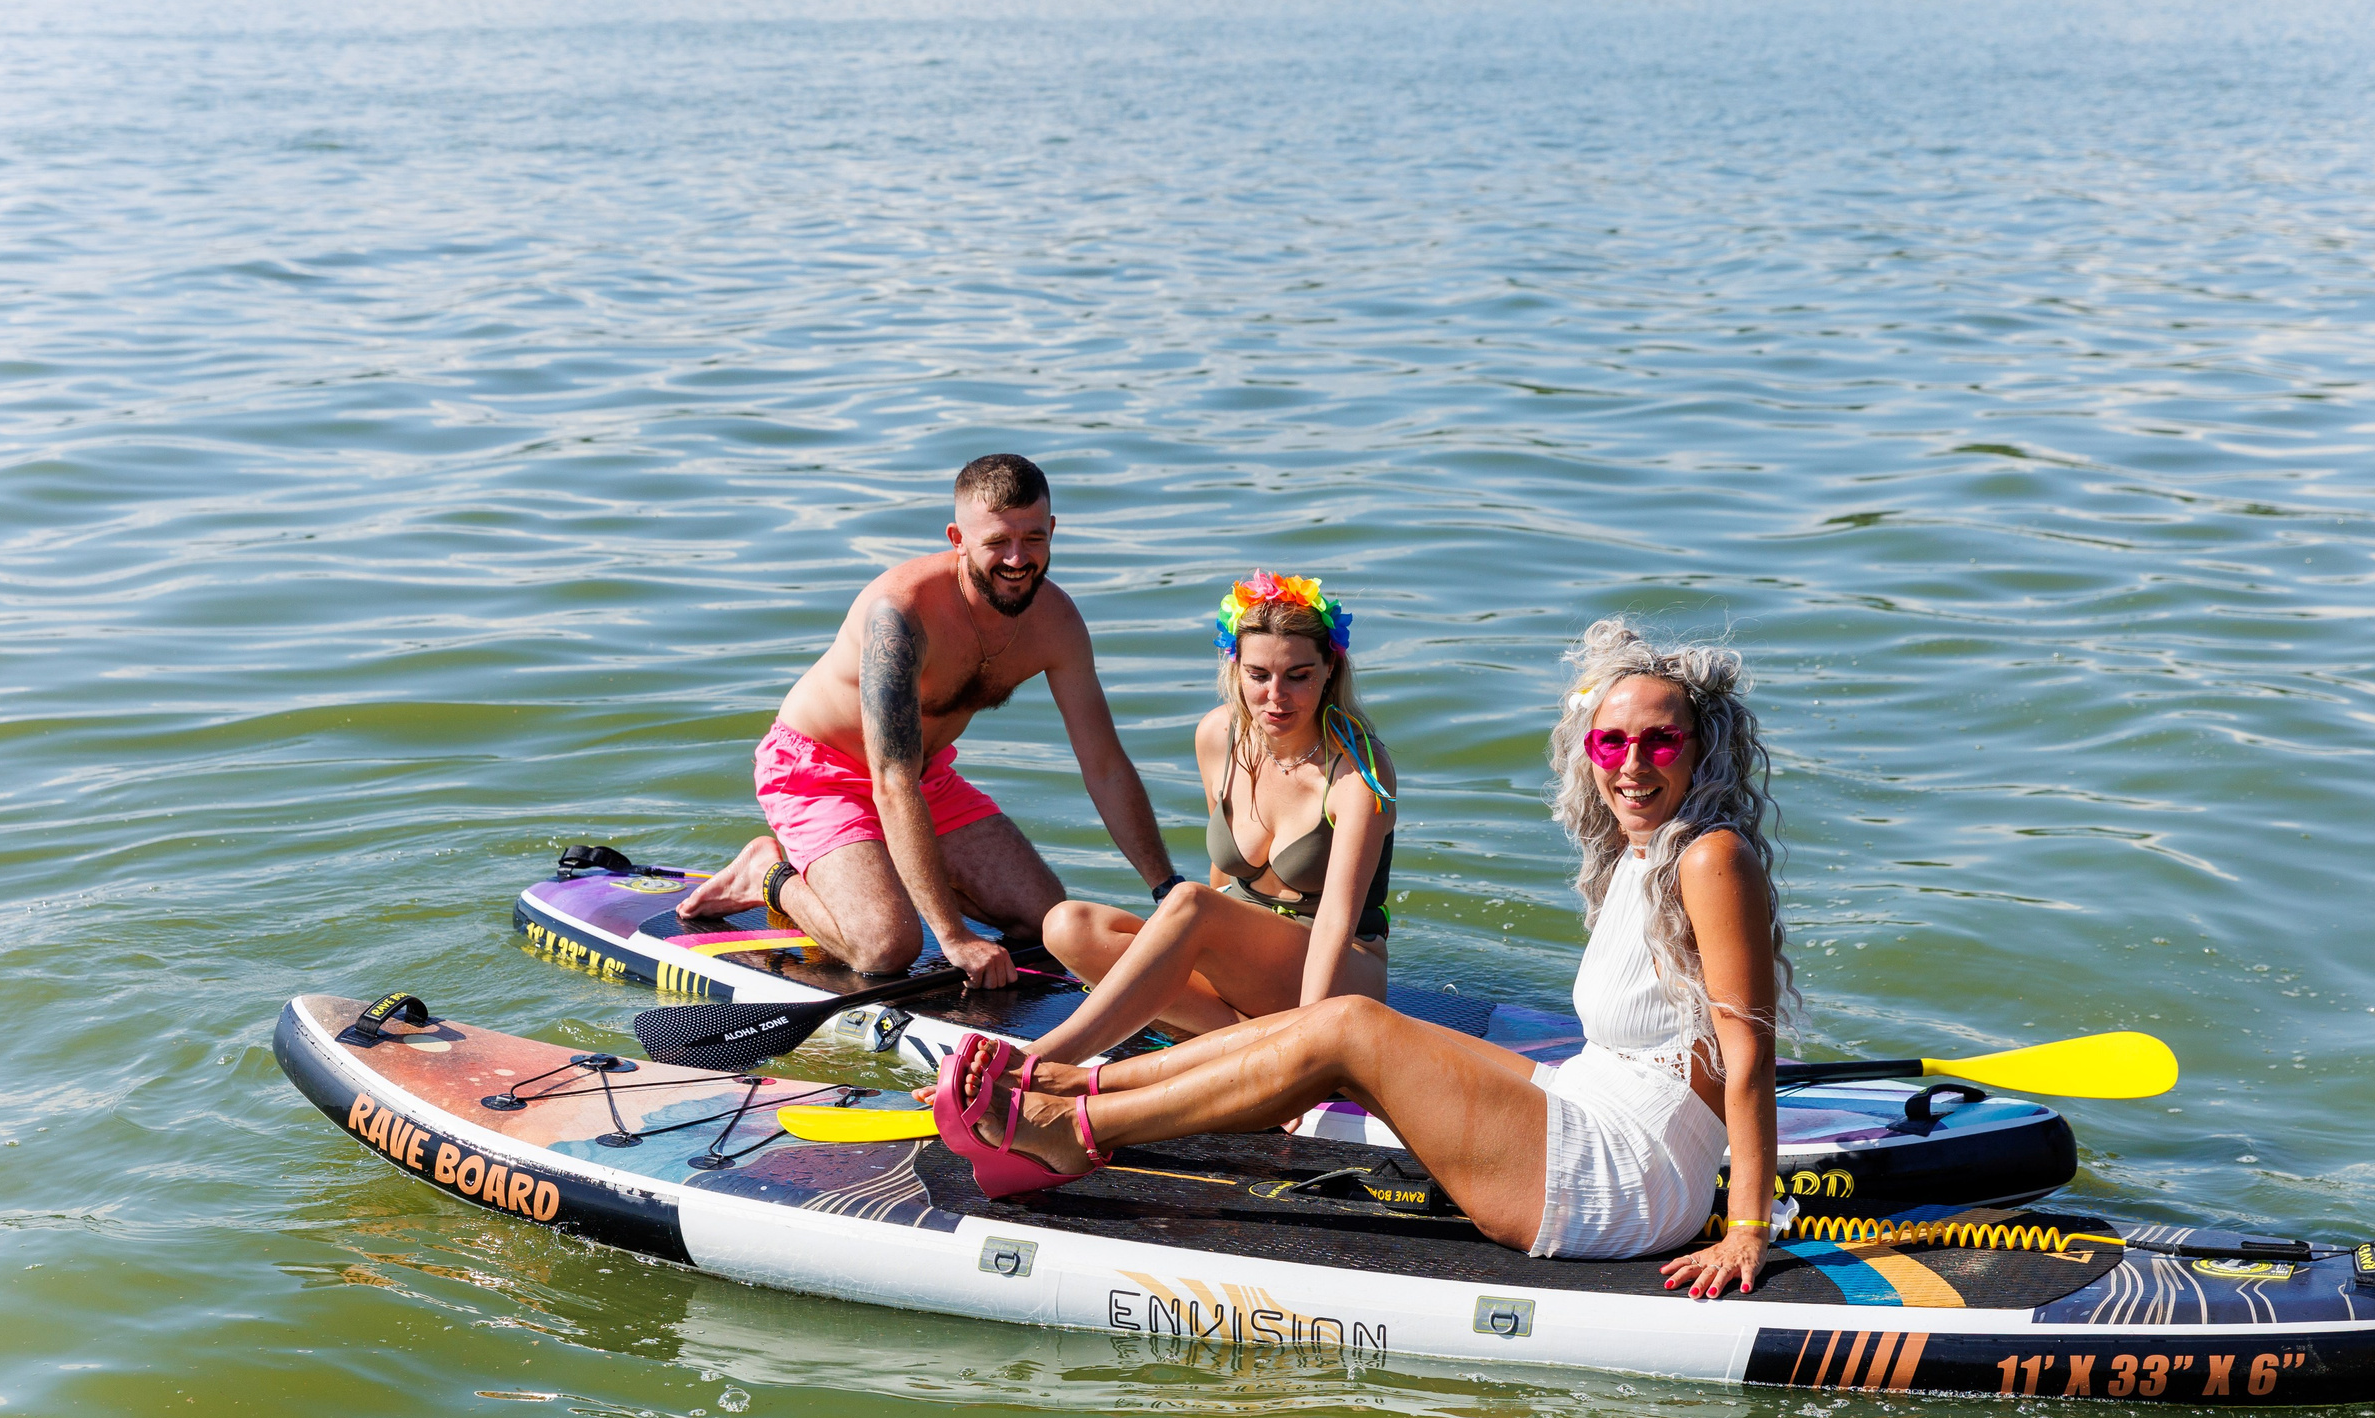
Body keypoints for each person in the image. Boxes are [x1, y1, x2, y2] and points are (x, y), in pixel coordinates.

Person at [934, 618, 1798, 1297]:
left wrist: (1747, 1227)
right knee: (1359, 1035)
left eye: (1660, 741)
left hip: (1624, 1176)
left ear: (1701, 748)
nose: (1633, 765)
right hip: (1586, 1099)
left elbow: (1747, 1051)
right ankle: (1070, 1086)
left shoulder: (1710, 857)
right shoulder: (1641, 854)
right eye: (1612, 743)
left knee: (1344, 1027)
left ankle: (1075, 1131)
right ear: (1589, 752)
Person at [681, 455, 1176, 988]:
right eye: (997, 542)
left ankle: (872, 869)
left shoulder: (1057, 623)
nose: (1017, 558)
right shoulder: (901, 615)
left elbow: (1103, 765)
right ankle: (767, 872)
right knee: (887, 947)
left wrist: (1165, 890)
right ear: (957, 537)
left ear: (1053, 529)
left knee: (1046, 921)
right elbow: (890, 781)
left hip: (924, 775)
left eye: (1033, 539)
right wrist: (953, 936)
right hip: (818, 773)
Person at [1014, 570, 1397, 1067]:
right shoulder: (1219, 736)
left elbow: (1336, 922)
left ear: (1330, 670)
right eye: (1258, 675)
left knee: (1189, 901)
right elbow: (1225, 883)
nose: (1275, 696)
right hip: (1242, 964)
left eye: (1298, 676)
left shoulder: (1357, 770)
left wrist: (1310, 1048)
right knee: (1068, 926)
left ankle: (1042, 1059)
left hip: (1343, 970)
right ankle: (1246, 1041)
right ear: (1235, 668)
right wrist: (1177, 953)